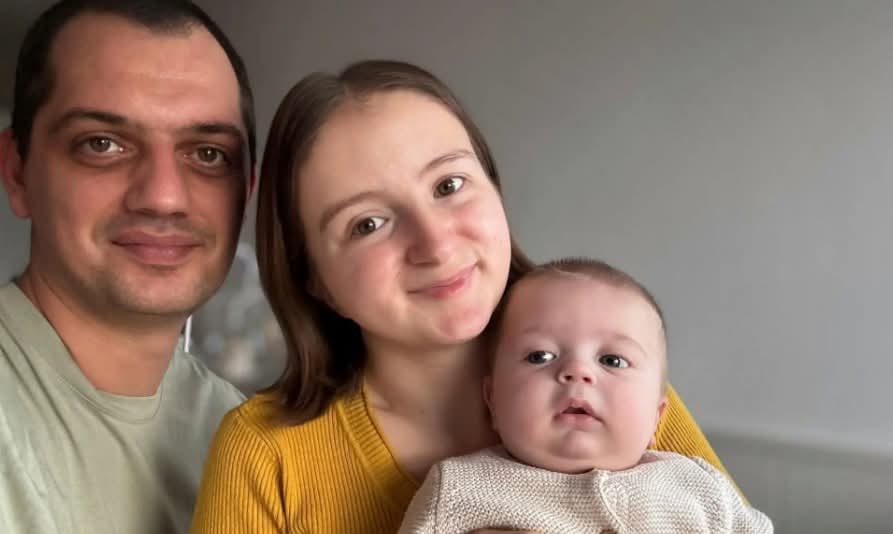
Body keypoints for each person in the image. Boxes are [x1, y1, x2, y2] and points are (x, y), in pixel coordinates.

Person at [192, 60, 732, 534]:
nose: (435, 244)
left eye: (448, 186)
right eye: (368, 223)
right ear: (314, 279)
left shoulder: (609, 383)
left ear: (494, 188)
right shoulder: (264, 453)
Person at [0, 1, 256, 533]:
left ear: (246, 192)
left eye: (208, 154)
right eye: (102, 144)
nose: (163, 197)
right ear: (17, 172)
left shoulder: (250, 441)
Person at [398, 258, 772, 533]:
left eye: (612, 360)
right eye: (539, 356)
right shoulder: (459, 489)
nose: (578, 371)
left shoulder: (697, 486)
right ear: (492, 400)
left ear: (657, 417)